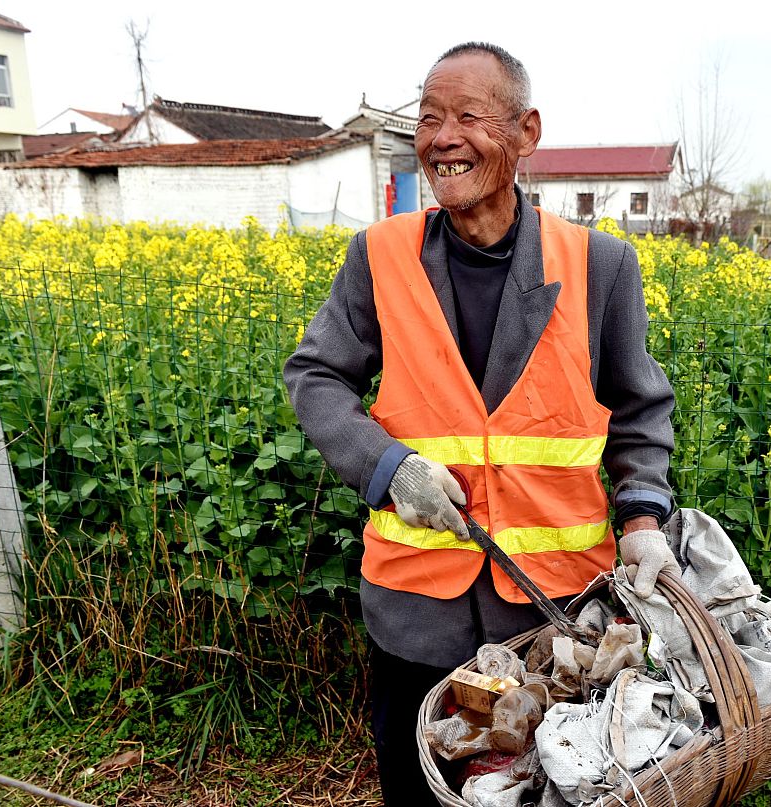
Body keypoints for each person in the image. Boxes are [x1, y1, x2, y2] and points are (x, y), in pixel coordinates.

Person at [283, 42, 679, 805]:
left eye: (468, 116)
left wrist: (641, 516)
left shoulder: (600, 266)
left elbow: (640, 408)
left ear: (526, 132)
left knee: (544, 788)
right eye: (428, 119)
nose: (441, 137)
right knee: (419, 786)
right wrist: (385, 465)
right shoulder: (378, 256)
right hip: (415, 613)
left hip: (551, 617)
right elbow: (316, 375)